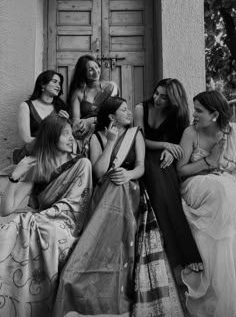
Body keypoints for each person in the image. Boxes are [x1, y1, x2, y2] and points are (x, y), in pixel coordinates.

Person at [53, 97, 185, 317]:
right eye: (123, 110)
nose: (129, 113)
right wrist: (112, 141)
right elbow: (99, 172)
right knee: (114, 185)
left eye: (128, 109)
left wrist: (128, 174)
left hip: (131, 189)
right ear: (112, 116)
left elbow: (141, 167)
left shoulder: (136, 135)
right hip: (105, 191)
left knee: (121, 186)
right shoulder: (97, 137)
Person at [0, 113, 93, 317]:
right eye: (65, 134)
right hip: (41, 223)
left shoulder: (81, 164)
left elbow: (76, 205)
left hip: (66, 225)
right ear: (51, 137)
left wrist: (42, 219)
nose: (71, 139)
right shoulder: (38, 167)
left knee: (49, 232)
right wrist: (16, 175)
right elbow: (5, 210)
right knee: (6, 233)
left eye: (71, 134)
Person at [134, 78, 203, 276]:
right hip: (143, 155)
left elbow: (180, 144)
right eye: (156, 93)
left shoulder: (178, 115)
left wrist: (172, 152)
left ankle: (181, 255)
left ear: (173, 100)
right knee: (159, 179)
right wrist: (165, 146)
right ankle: (182, 256)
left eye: (163, 97)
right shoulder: (141, 109)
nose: (157, 99)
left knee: (167, 190)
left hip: (165, 161)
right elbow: (139, 139)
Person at [177, 90, 236, 317]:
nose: (194, 114)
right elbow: (180, 171)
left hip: (225, 184)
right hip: (194, 184)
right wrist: (209, 161)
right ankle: (206, 276)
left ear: (214, 115)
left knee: (227, 193)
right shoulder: (190, 133)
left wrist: (220, 168)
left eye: (199, 111)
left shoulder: (231, 133)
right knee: (221, 192)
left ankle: (224, 282)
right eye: (194, 109)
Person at [67, 54, 119, 155]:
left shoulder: (111, 87)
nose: (96, 72)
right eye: (90, 69)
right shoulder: (79, 93)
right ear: (83, 73)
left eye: (97, 67)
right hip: (85, 132)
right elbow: (76, 121)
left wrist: (91, 120)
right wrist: (81, 125)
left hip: (107, 129)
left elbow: (116, 114)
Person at [16, 70, 68, 163]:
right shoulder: (26, 106)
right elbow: (26, 139)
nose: (58, 86)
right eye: (54, 82)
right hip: (33, 153)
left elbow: (66, 137)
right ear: (43, 84)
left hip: (56, 154)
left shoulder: (61, 108)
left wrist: (66, 123)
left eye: (60, 83)